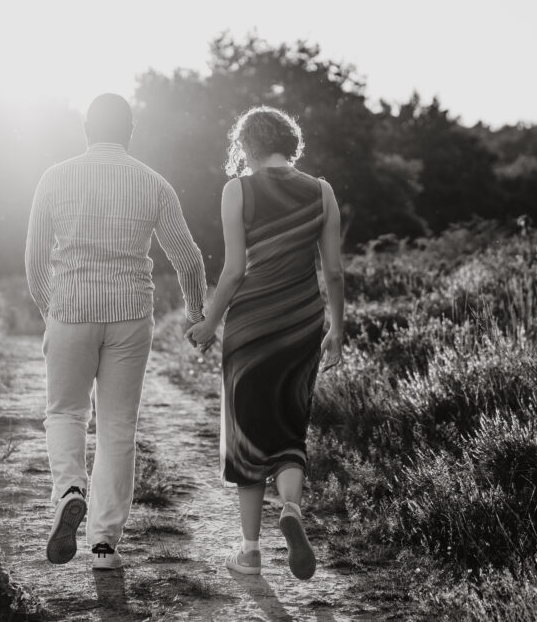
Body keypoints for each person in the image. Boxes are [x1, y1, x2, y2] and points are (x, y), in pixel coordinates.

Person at [25, 92, 208, 570]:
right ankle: (104, 545)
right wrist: (196, 314)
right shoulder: (154, 183)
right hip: (130, 314)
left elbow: (34, 259)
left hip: (71, 310)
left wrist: (52, 311)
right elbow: (189, 259)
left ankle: (69, 490)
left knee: (65, 412)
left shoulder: (55, 177)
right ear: (130, 132)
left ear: (86, 130)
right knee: (117, 425)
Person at [187, 106, 344, 580]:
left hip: (251, 326)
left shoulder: (238, 190)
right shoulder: (322, 191)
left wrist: (209, 322)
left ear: (247, 146)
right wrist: (337, 329)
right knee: (290, 427)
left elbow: (234, 270)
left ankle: (250, 553)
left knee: (248, 432)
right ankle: (291, 508)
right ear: (289, 142)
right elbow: (334, 271)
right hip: (302, 323)